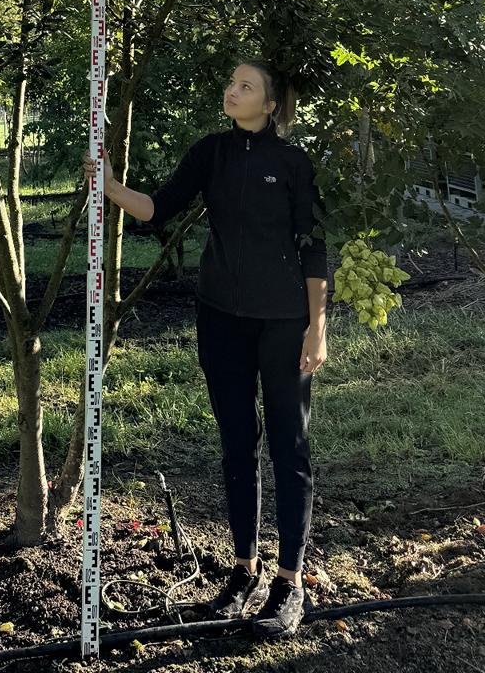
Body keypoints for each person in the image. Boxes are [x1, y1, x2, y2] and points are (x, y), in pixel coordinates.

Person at [82, 59, 328, 640]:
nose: (232, 90)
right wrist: (111, 187)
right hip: (220, 319)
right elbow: (158, 208)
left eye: (246, 86)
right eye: (231, 82)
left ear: (270, 105)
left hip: (284, 322)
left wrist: (317, 326)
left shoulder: (292, 163)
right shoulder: (210, 153)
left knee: (289, 447)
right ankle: (243, 570)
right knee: (236, 444)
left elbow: (314, 245)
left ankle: (289, 583)